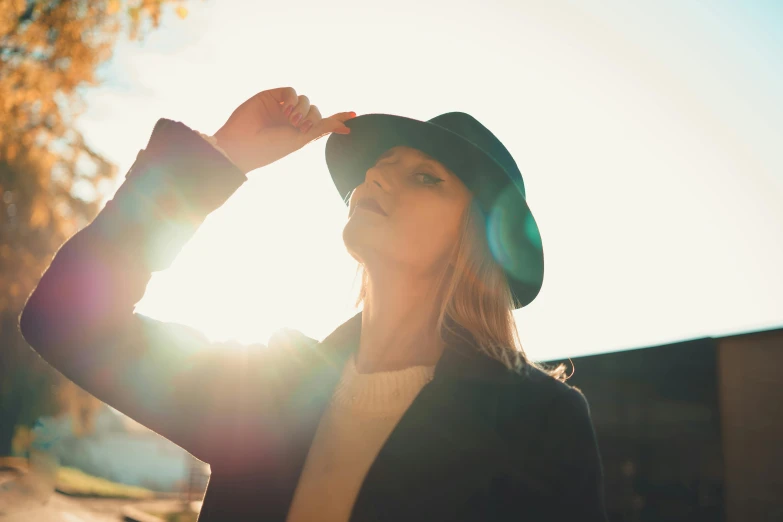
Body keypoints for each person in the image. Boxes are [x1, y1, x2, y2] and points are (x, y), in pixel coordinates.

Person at [19, 87, 608, 521]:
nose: (376, 176)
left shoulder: (541, 421)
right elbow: (66, 320)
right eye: (381, 166)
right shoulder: (270, 383)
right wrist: (220, 155)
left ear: (477, 240)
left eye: (426, 177)